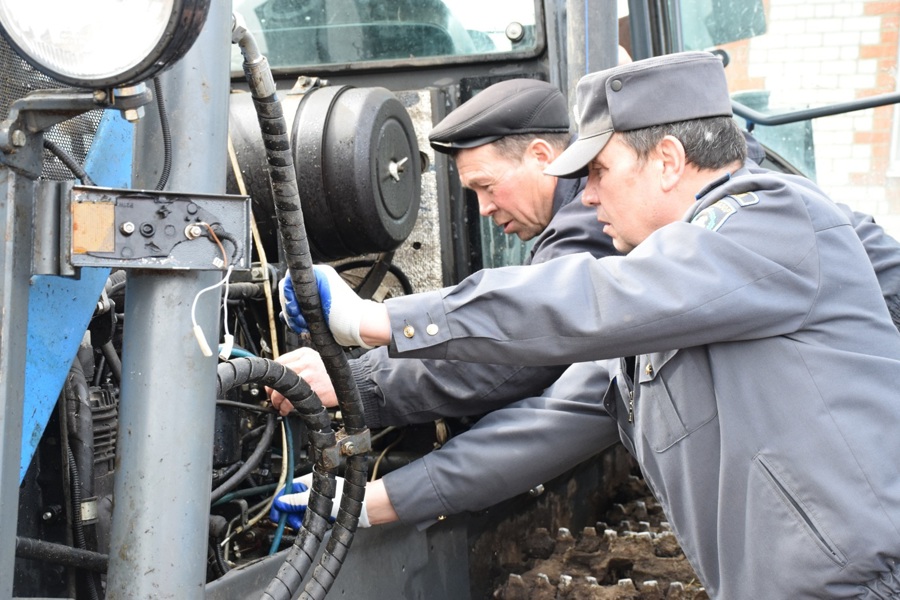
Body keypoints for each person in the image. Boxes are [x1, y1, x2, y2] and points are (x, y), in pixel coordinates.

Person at [282, 52, 900, 598]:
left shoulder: (771, 219)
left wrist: (376, 319)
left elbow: (591, 296)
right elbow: (547, 428)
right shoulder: (662, 310)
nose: (589, 195)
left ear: (666, 161)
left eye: (599, 172)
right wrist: (365, 503)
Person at [272, 77, 623, 528]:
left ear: (541, 156)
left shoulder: (594, 223)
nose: (483, 209)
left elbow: (510, 348)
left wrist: (353, 377)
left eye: (486, 185)